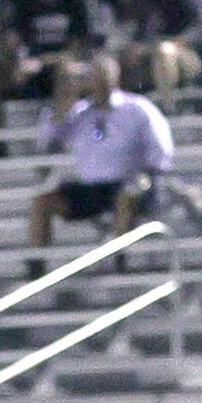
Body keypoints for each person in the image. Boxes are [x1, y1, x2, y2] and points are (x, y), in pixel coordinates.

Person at [27, 53, 174, 272]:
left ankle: (120, 258)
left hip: (127, 184)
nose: (95, 82)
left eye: (101, 75)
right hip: (91, 188)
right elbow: (50, 138)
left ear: (113, 78)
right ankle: (35, 267)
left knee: (127, 195)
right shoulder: (79, 112)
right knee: (42, 202)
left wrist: (148, 174)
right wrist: (64, 99)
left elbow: (162, 149)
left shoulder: (137, 108)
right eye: (92, 76)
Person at [0, 0, 93, 131]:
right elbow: (14, 42)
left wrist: (41, 62)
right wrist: (15, 61)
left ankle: (55, 134)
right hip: (29, 72)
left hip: (59, 71)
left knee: (69, 72)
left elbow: (77, 51)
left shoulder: (76, 3)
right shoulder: (25, 4)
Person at [119, 0, 202, 107]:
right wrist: (136, 47)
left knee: (165, 52)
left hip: (187, 56)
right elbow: (139, 31)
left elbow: (194, 34)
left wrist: (160, 46)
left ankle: (169, 109)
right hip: (152, 54)